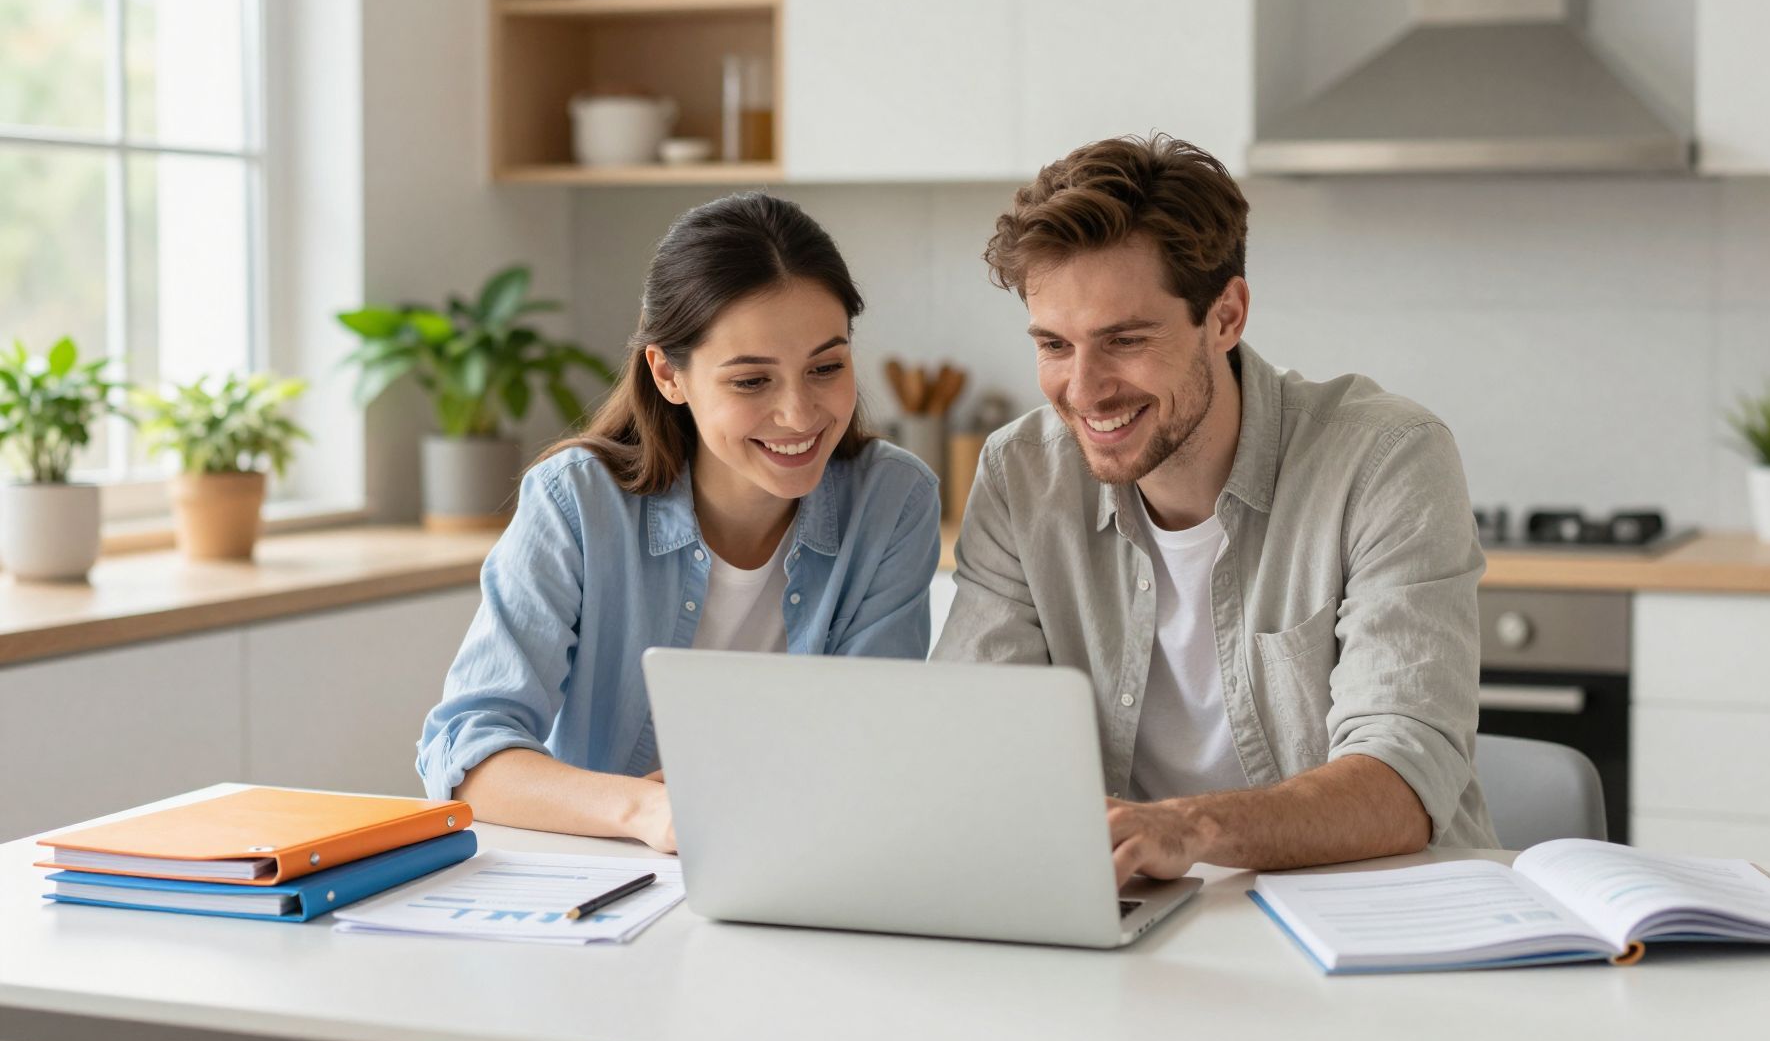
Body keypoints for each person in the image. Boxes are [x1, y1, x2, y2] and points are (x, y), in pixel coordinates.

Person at [933, 135, 1496, 885]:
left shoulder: (1386, 457)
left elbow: (1401, 781)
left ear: (1226, 316)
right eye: (1054, 345)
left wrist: (1187, 828)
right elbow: (974, 742)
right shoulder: (1020, 474)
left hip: (1374, 921)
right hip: (1145, 927)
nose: (1084, 388)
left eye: (1124, 340)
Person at [418, 192, 941, 853]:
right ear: (668, 373)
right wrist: (647, 811)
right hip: (601, 881)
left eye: (826, 368)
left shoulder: (893, 501)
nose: (800, 413)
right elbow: (465, 755)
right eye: (752, 382)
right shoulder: (576, 502)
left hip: (807, 865)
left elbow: (873, 749)